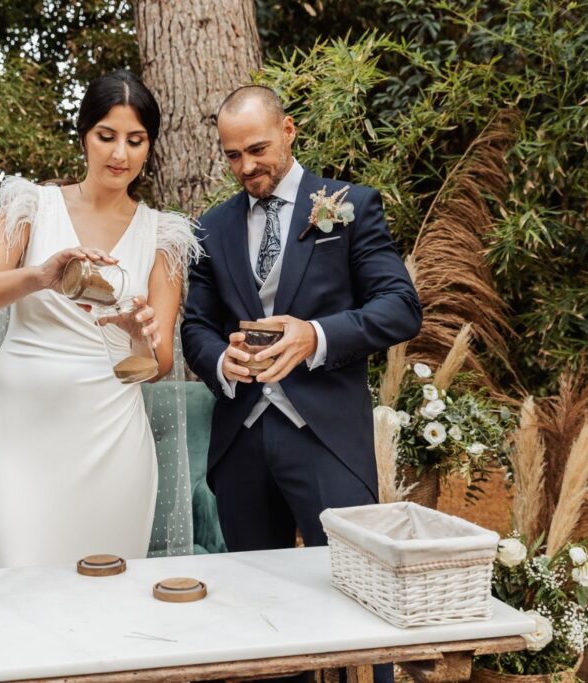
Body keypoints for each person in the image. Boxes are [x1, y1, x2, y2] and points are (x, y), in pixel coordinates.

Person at [0, 70, 199, 682]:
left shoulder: (164, 236)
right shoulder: (31, 207)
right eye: (107, 135)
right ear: (84, 135)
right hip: (21, 432)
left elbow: (155, 365)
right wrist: (41, 275)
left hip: (111, 437)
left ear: (149, 147)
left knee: (107, 591)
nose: (120, 153)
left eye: (136, 140)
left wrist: (139, 338)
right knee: (19, 581)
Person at [181, 86, 421, 683]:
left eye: (257, 149)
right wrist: (219, 362)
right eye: (232, 156)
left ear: (289, 130)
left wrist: (315, 336)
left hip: (326, 440)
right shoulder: (211, 227)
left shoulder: (349, 205)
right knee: (260, 618)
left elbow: (399, 307)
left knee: (357, 601)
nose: (247, 167)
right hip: (241, 441)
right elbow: (196, 326)